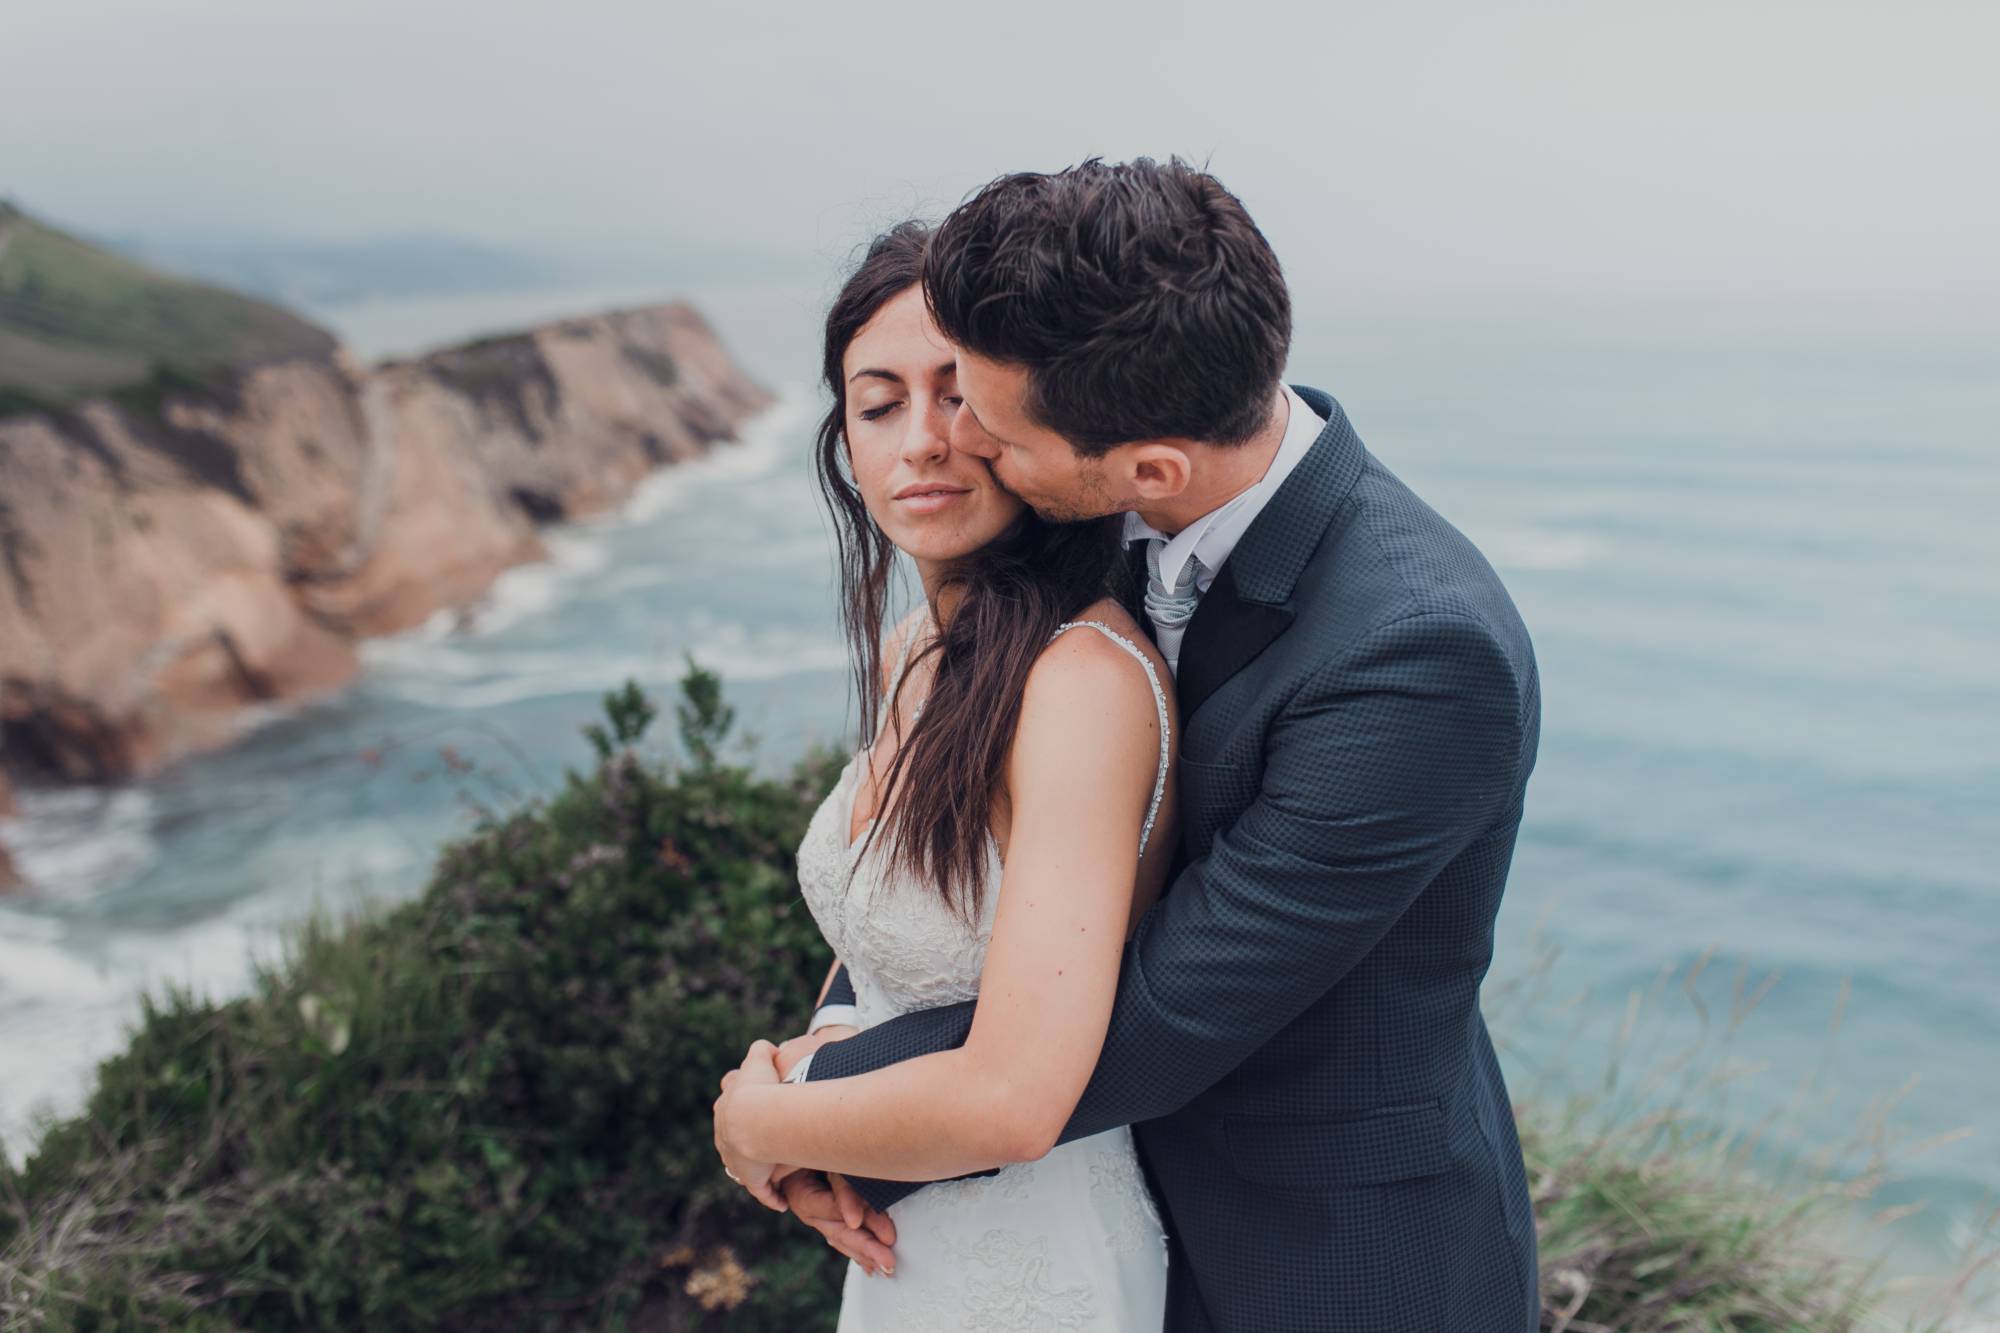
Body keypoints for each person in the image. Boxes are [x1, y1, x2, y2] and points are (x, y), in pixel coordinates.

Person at [716, 158, 1542, 1332]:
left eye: (987, 418)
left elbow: (1152, 1009)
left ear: (1143, 469)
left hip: (1323, 1260)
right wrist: (842, 1033)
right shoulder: (1095, 510)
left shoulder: (1415, 655)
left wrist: (790, 1115)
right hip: (1083, 1203)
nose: (959, 447)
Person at [713, 219, 1179, 1327]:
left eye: (958, 396)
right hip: (902, 1241)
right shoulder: (911, 651)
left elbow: (1019, 1098)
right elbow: (888, 952)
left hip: (1041, 1265)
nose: (921, 439)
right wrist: (824, 1127)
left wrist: (759, 1127)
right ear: (844, 441)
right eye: (878, 404)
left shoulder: (1079, 684)